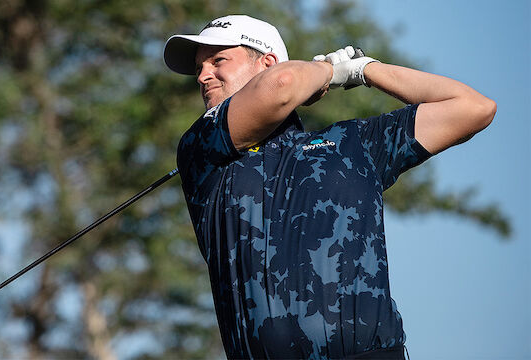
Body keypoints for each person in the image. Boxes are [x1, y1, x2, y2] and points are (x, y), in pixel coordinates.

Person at [163, 15, 495, 359]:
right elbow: (283, 85)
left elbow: (474, 108)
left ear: (267, 63)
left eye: (218, 60)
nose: (203, 76)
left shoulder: (353, 143)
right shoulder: (203, 150)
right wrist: (327, 71)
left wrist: (364, 70)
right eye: (200, 66)